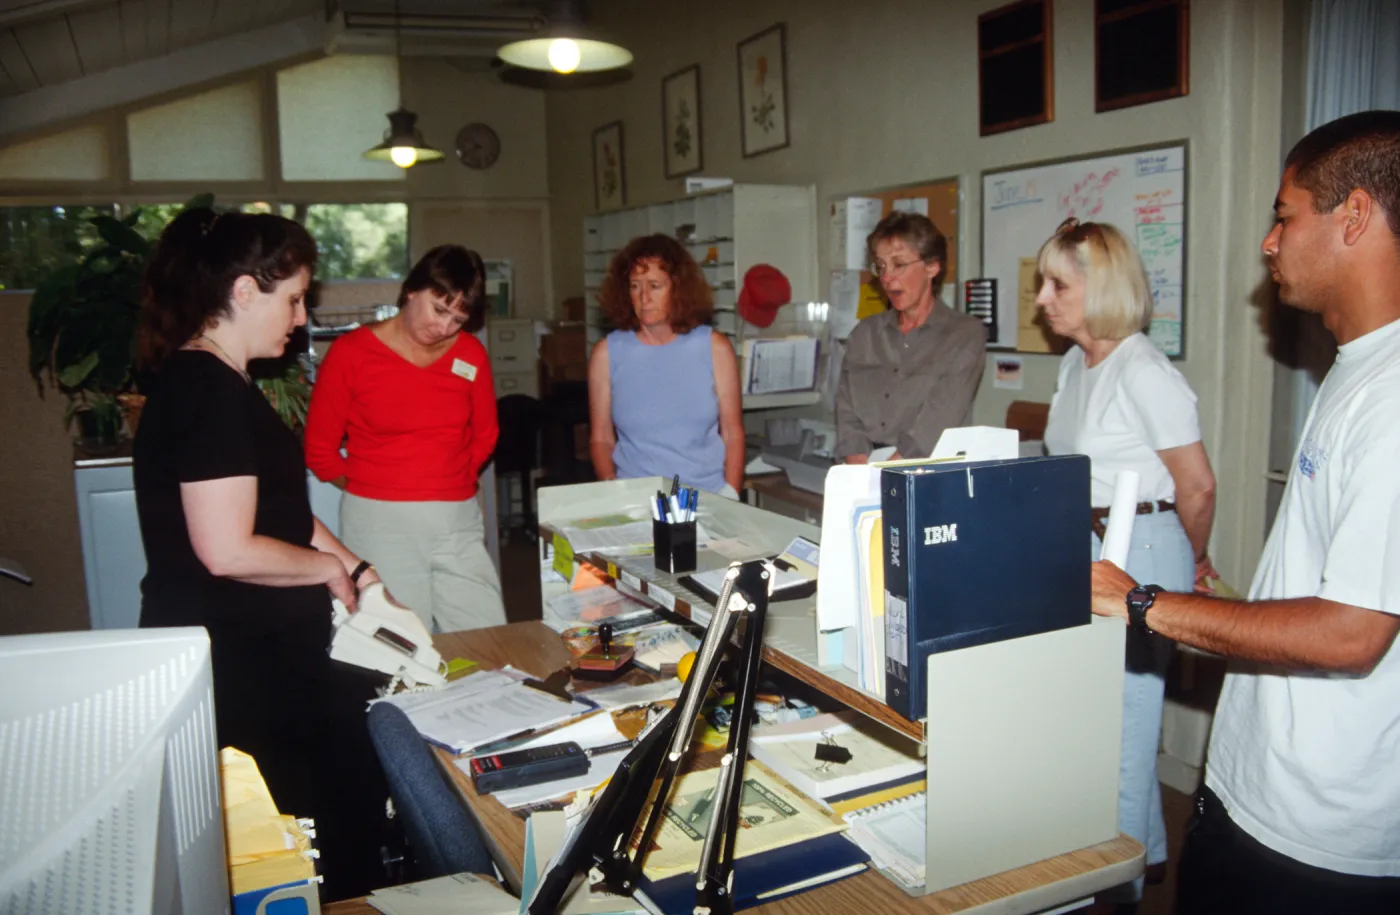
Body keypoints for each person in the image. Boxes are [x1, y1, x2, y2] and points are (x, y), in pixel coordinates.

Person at [1090, 110, 1400, 914]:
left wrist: (1143, 601)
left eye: (1284, 215)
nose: (1269, 242)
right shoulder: (1355, 368)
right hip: (1253, 784)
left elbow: (1352, 630)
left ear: (1354, 215)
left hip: (1316, 831)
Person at [133, 208, 390, 900]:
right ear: (244, 291)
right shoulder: (207, 392)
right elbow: (226, 547)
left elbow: (279, 512)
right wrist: (330, 570)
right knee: (312, 840)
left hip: (265, 651)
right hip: (242, 665)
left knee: (357, 787)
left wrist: (360, 570)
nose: (302, 317)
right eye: (294, 297)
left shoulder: (222, 382)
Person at [1036, 218, 1217, 909]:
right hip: (1088, 542)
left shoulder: (1144, 368)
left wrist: (1186, 564)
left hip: (1144, 545)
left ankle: (1118, 891)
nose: (1043, 299)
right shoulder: (1076, 363)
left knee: (1126, 728)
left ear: (1100, 286)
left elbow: (1197, 486)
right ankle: (1144, 853)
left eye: (1058, 283)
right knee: (1095, 717)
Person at [304, 245, 505, 634]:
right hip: (380, 523)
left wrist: (455, 476)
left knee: (486, 636)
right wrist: (375, 484)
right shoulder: (352, 354)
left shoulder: (471, 354)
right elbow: (320, 450)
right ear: (412, 290)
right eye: (439, 309)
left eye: (458, 318)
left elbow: (486, 433)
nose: (444, 327)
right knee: (402, 647)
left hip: (457, 520)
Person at [588, 233, 744, 495]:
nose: (643, 297)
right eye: (635, 286)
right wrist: (611, 489)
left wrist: (731, 494)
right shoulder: (607, 353)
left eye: (654, 286)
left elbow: (732, 432)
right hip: (637, 499)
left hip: (706, 496)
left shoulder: (714, 348)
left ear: (678, 289)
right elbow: (601, 437)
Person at [835, 211, 986, 463]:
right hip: (864, 468)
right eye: (880, 266)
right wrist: (858, 469)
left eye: (899, 264)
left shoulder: (964, 335)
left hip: (923, 470)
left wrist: (885, 475)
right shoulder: (864, 334)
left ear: (932, 267)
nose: (886, 277)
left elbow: (939, 419)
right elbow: (846, 410)